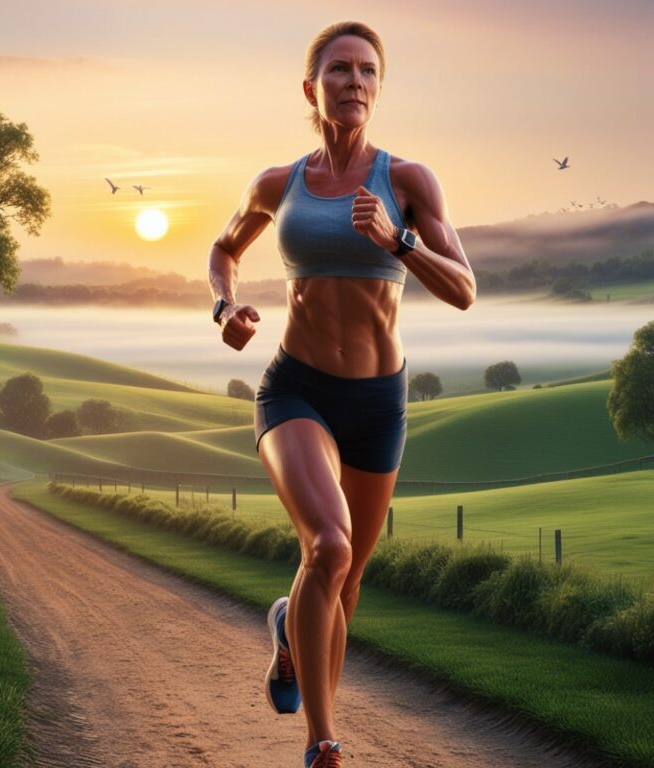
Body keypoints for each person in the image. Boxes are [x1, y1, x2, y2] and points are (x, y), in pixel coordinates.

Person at [208, 20, 475, 768]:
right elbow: (224, 248)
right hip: (295, 390)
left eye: (366, 72)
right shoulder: (278, 183)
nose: (353, 81)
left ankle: (294, 632)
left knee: (347, 577)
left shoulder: (409, 182)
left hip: (377, 403)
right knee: (328, 543)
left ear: (377, 91)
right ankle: (323, 742)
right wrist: (226, 307)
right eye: (338, 70)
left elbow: (465, 290)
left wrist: (401, 240)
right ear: (311, 88)